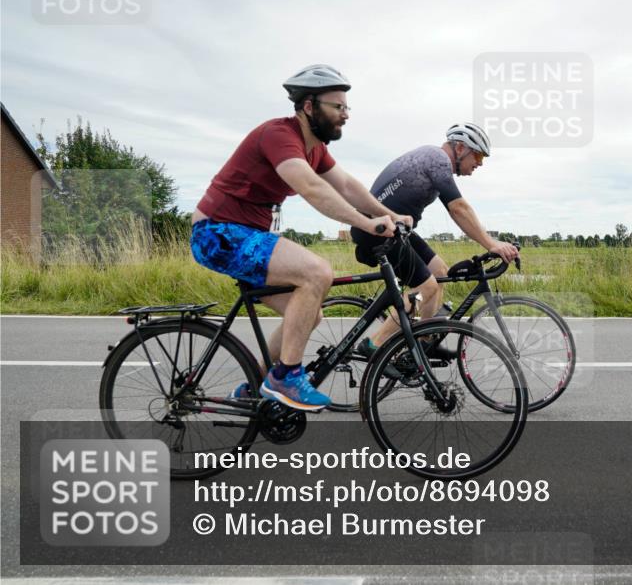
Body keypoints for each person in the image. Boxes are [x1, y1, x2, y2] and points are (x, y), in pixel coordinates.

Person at [189, 64, 411, 411]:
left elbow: (347, 186)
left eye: (347, 107)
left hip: (245, 233)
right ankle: (286, 377)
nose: (346, 114)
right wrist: (365, 224)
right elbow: (311, 188)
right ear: (309, 106)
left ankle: (254, 387)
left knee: (308, 313)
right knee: (317, 272)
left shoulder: (315, 148)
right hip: (218, 231)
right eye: (338, 107)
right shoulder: (279, 135)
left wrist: (388, 214)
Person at [350, 122, 519, 358]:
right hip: (376, 231)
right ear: (460, 148)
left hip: (394, 230)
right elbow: (459, 208)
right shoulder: (437, 159)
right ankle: (374, 345)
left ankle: (424, 342)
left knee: (439, 271)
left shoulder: (432, 159)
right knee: (425, 287)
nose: (479, 163)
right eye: (478, 155)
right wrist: (492, 244)